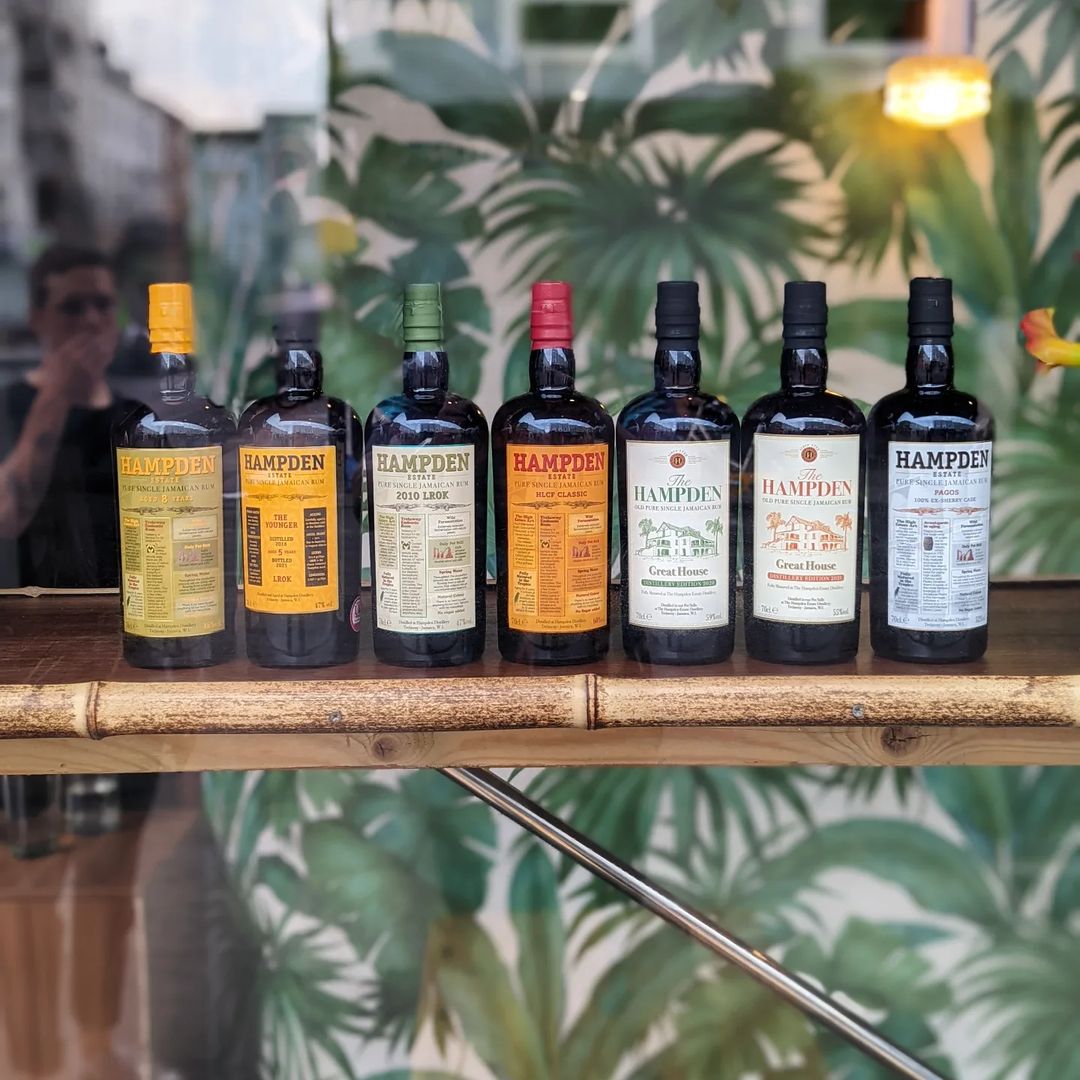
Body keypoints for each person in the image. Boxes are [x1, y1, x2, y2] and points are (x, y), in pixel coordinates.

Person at [0, 244, 134, 588]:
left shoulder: (136, 418)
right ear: (37, 318)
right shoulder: (8, 406)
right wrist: (58, 394)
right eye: (72, 307)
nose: (91, 320)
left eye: (103, 305)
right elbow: (6, 516)